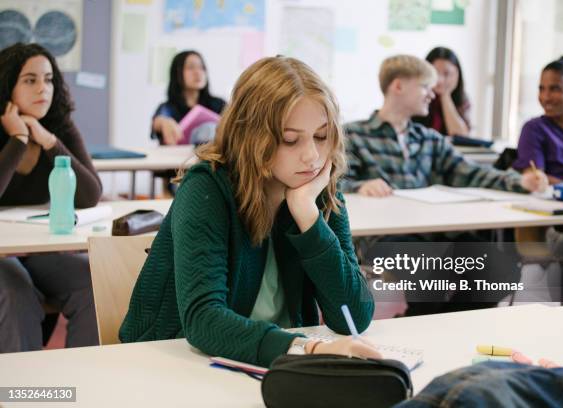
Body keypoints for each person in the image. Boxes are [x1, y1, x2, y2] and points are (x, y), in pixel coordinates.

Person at [120, 57, 381, 367]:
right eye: (290, 140)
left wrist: (308, 218)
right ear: (252, 137)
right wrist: (307, 350)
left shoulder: (317, 190)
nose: (312, 156)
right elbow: (204, 321)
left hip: (271, 365)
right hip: (175, 363)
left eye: (321, 136)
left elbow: (355, 315)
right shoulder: (207, 188)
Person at [0, 43, 101, 352]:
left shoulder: (58, 127)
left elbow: (90, 194)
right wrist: (18, 139)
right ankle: (23, 397)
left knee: (92, 281)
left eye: (49, 79)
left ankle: (80, 387)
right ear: (8, 86)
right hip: (3, 252)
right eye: (30, 80)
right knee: (17, 293)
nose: (43, 89)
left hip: (36, 247)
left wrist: (48, 141)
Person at [342, 54, 546, 198]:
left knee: (482, 247)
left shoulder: (429, 139)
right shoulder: (353, 135)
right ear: (398, 86)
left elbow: (472, 172)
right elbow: (332, 186)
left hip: (426, 231)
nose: (432, 95)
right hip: (384, 239)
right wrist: (361, 186)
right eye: (425, 87)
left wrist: (520, 181)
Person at [151, 50, 226, 145]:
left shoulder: (219, 104)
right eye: (191, 67)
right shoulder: (168, 108)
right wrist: (162, 122)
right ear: (177, 73)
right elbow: (158, 121)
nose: (198, 72)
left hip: (212, 156)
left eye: (201, 67)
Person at [413, 47, 470, 136]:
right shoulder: (416, 96)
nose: (440, 80)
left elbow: (460, 136)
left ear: (457, 75)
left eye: (446, 74)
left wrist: (445, 96)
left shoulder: (462, 99)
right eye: (434, 73)